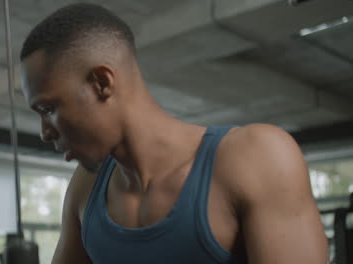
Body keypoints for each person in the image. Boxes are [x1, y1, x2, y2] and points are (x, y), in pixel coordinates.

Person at [19, 3, 328, 263]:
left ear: (102, 83)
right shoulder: (86, 187)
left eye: (48, 109)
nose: (45, 133)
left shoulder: (254, 157)